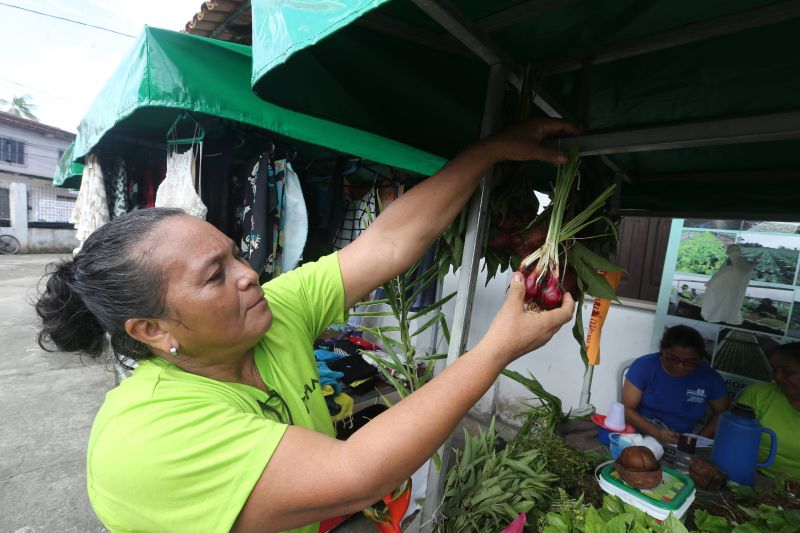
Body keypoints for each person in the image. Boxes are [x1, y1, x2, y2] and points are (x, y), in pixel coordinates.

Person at [35, 119, 577, 533]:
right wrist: (497, 348)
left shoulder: (269, 315)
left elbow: (387, 244)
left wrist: (487, 152)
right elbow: (356, 474)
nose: (250, 274)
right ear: (152, 330)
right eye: (214, 276)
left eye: (234, 254)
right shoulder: (147, 436)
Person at [622, 325, 730, 445]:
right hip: (641, 432)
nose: (680, 366)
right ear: (662, 352)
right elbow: (626, 409)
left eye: (690, 361)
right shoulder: (644, 366)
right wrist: (656, 432)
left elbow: (722, 413)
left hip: (683, 439)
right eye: (673, 359)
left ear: (700, 359)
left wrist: (695, 442)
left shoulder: (710, 378)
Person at [738, 342, 800, 479]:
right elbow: (735, 441)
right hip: (750, 476)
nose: (777, 377)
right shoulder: (758, 394)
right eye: (774, 370)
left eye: (787, 372)